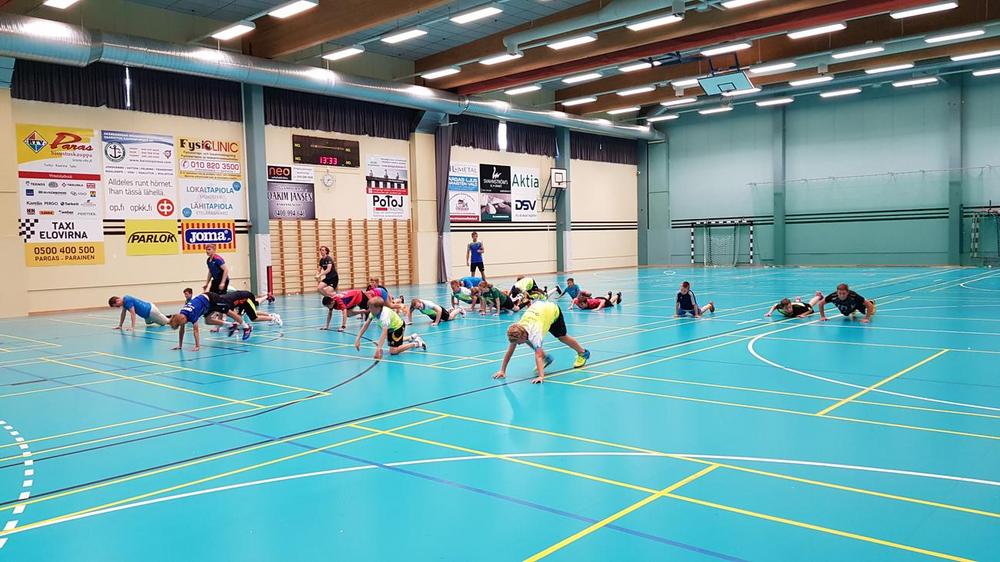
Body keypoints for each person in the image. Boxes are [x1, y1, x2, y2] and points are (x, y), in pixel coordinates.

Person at [494, 301, 590, 384]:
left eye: (518, 342)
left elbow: (538, 355)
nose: (517, 344)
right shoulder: (518, 330)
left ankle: (583, 353)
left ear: (522, 336)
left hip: (552, 311)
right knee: (529, 341)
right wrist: (502, 370)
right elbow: (509, 352)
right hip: (540, 312)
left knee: (562, 337)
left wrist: (541, 376)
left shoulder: (535, 333)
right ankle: (547, 358)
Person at [354, 297, 426, 359]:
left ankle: (416, 343)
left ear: (378, 308)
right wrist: (358, 338)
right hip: (390, 328)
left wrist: (378, 349)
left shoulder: (384, 316)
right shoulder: (373, 312)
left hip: (397, 327)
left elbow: (384, 333)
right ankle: (411, 337)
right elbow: (366, 325)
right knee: (391, 340)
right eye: (369, 307)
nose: (369, 309)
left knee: (393, 351)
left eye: (371, 307)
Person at [212, 290, 283, 338]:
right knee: (253, 308)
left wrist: (235, 327)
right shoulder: (220, 302)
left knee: (254, 318)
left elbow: (235, 315)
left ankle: (274, 318)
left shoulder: (227, 303)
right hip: (241, 300)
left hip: (246, 299)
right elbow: (221, 313)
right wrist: (217, 327)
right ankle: (269, 308)